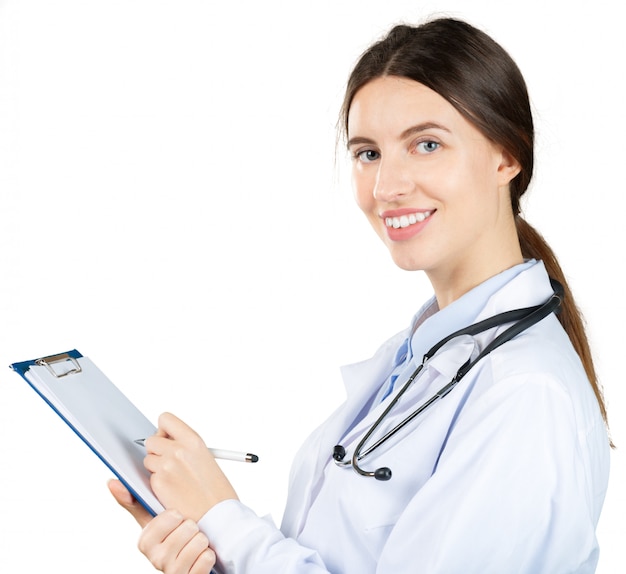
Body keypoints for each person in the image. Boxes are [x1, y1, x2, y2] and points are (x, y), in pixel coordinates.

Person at [109, 17, 611, 573]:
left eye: (426, 145)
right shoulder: (417, 353)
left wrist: (223, 517)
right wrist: (208, 549)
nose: (386, 188)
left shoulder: (523, 394)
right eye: (367, 153)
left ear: (506, 158)